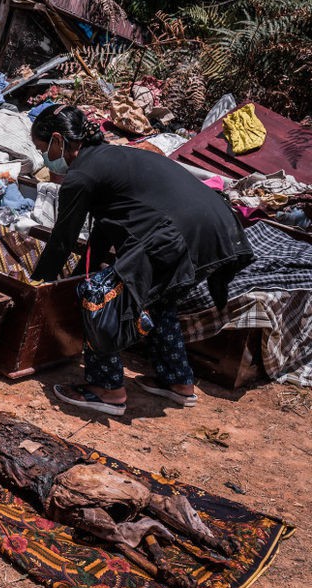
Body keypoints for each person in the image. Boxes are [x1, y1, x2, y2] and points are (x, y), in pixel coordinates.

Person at [29, 105, 252, 416]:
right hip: (221, 230)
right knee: (159, 299)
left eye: (43, 149)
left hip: (179, 234)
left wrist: (36, 286)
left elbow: (61, 242)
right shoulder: (117, 157)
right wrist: (78, 274)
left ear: (57, 140)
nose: (44, 157)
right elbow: (104, 231)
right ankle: (177, 381)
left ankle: (106, 389)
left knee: (99, 296)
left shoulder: (81, 175)